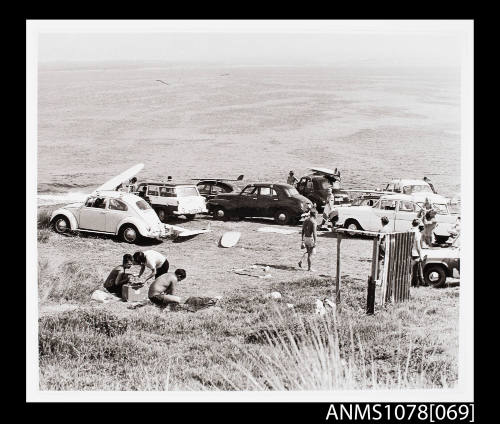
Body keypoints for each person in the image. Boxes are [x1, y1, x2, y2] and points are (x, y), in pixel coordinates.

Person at [410, 219, 425, 287]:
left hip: (408, 252)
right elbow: (418, 246)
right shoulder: (417, 233)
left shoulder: (409, 230)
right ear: (418, 225)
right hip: (415, 252)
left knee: (413, 269)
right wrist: (421, 255)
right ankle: (415, 284)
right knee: (415, 269)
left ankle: (420, 282)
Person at [377, 216, 391, 281]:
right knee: (386, 261)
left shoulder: (382, 229)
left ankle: (377, 276)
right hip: (388, 245)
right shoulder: (390, 229)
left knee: (379, 261)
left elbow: (380, 238)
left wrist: (378, 245)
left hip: (383, 245)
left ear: (382, 222)